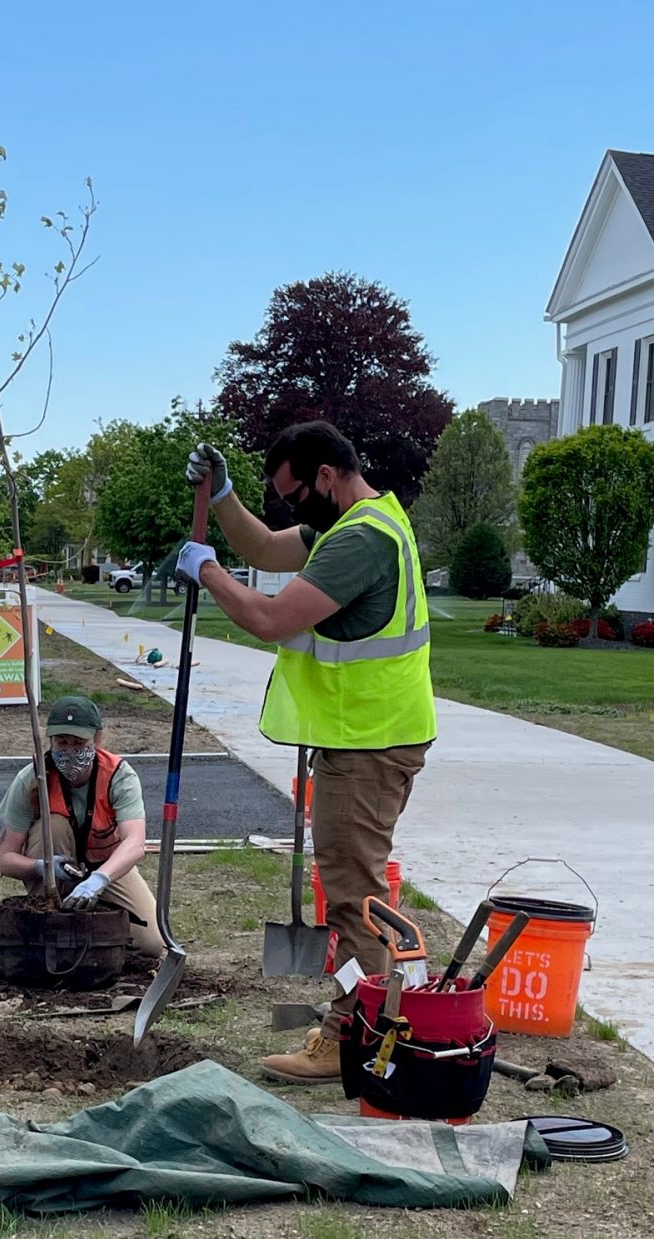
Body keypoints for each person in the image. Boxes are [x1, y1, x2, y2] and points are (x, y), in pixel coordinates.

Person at [179, 421, 436, 1084]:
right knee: (355, 890)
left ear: (328, 475)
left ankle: (353, 1037)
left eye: (296, 495)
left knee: (354, 898)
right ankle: (368, 1027)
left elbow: (269, 617)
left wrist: (206, 570)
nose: (292, 510)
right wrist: (228, 496)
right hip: (366, 735)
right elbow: (265, 550)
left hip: (371, 739)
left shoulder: (360, 542)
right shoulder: (362, 520)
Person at [0, 695, 164, 959]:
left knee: (151, 944)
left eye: (79, 743)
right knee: (54, 826)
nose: (70, 751)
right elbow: (6, 859)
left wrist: (99, 878)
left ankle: (93, 931)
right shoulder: (31, 778)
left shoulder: (119, 776)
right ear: (50, 741)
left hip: (105, 868)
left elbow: (134, 843)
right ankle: (48, 924)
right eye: (62, 742)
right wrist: (43, 866)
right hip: (53, 876)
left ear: (97, 741)